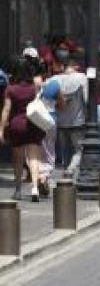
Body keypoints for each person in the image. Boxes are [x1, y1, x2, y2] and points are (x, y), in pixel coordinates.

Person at [0, 58, 46, 201]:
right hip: (33, 123)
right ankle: (34, 189)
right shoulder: (34, 88)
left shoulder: (10, 89)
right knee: (33, 158)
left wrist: (1, 129)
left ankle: (18, 190)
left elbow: (6, 110)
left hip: (16, 125)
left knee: (18, 159)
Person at [55, 56, 88, 177]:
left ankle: (66, 174)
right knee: (78, 150)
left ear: (64, 67)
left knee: (65, 152)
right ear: (76, 67)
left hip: (61, 122)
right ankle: (71, 169)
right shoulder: (82, 78)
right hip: (77, 121)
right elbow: (86, 99)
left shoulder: (56, 79)